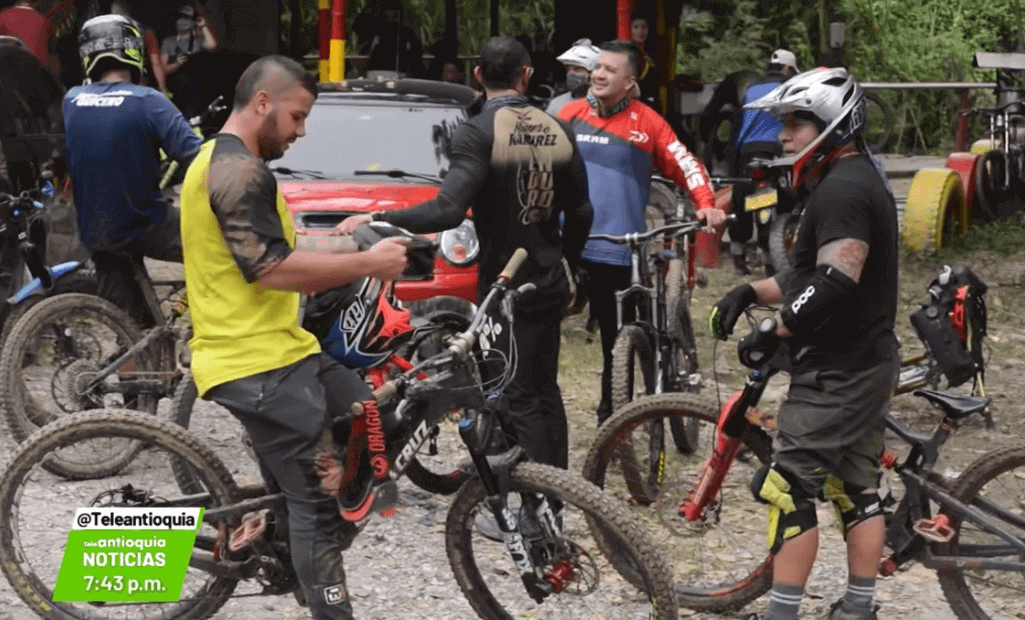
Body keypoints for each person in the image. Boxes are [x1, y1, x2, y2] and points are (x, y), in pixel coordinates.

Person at [179, 54, 409, 620]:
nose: (300, 132)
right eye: (297, 117)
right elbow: (272, 269)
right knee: (318, 504)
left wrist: (358, 245)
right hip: (250, 363)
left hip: (283, 349)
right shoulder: (236, 171)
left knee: (368, 413)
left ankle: (273, 526)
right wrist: (365, 266)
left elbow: (287, 246)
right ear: (263, 103)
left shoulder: (235, 161)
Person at [335, 36, 593, 472]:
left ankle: (534, 507)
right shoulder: (559, 128)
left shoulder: (477, 132)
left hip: (504, 288)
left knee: (516, 394)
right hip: (548, 278)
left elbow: (447, 209)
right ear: (526, 75)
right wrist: (568, 261)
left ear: (478, 75)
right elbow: (582, 211)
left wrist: (377, 215)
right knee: (545, 390)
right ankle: (559, 494)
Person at [708, 67, 898, 620]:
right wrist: (751, 291)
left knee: (786, 489)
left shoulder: (842, 189)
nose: (784, 135)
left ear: (832, 125)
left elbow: (839, 278)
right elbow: (813, 276)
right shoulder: (856, 179)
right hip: (865, 362)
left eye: (795, 123)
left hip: (838, 373)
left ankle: (782, 613)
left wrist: (777, 328)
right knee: (858, 489)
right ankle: (858, 608)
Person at [558, 39, 725, 425]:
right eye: (597, 67)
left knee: (616, 347)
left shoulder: (647, 122)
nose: (598, 74)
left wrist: (706, 202)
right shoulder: (569, 115)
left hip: (615, 252)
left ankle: (612, 422)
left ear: (630, 82)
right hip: (567, 249)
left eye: (609, 70)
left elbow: (688, 163)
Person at [63, 13, 202, 329]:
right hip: (144, 225)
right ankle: (212, 333)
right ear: (134, 53)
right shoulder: (149, 101)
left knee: (129, 323)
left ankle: (134, 372)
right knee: (222, 245)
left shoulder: (71, 100)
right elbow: (196, 158)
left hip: (95, 231)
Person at [728, 49, 800, 276]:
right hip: (778, 150)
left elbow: (739, 125)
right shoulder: (791, 89)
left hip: (747, 150)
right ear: (787, 69)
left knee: (743, 198)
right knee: (782, 198)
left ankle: (737, 253)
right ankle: (772, 256)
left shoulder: (752, 90)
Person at [160, 4, 217, 119]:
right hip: (176, 91)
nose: (182, 21)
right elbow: (162, 70)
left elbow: (212, 45)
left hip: (198, 91)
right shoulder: (169, 42)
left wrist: (203, 25)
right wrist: (178, 64)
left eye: (186, 18)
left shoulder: (198, 41)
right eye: (180, 17)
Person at [363, 0, 423, 77]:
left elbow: (415, 56)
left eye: (395, 11)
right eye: (388, 10)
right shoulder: (377, 30)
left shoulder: (407, 33)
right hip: (377, 72)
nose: (391, 13)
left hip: (399, 73)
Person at [545, 38, 599, 116]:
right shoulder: (557, 104)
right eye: (567, 69)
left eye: (577, 69)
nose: (570, 74)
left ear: (592, 73)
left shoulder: (608, 104)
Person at [0, 0, 55, 74]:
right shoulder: (44, 21)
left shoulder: (3, 17)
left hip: (16, 74)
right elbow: (52, 58)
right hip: (42, 73)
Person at [629, 13, 657, 106]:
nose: (641, 31)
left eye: (644, 27)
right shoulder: (630, 54)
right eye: (636, 27)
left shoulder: (650, 54)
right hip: (637, 102)